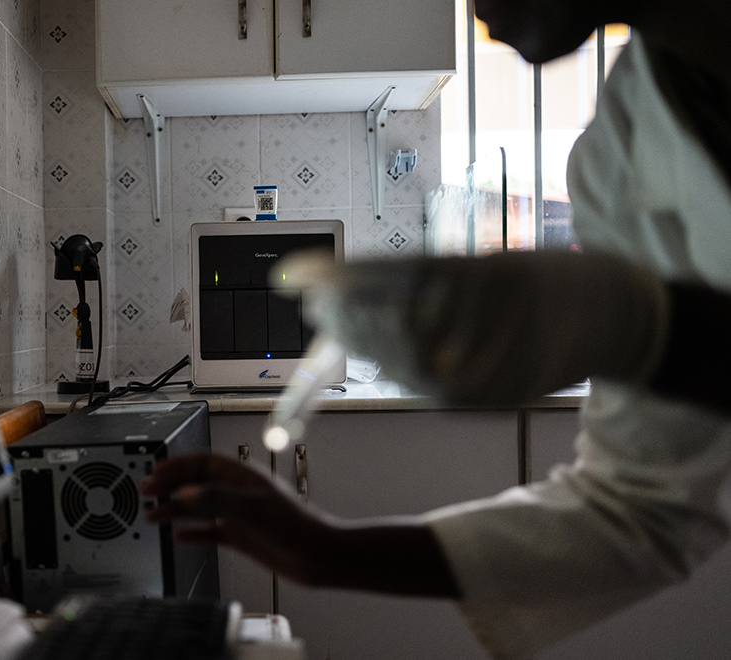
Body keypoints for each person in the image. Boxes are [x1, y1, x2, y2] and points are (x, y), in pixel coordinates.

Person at [142, 2, 731, 658]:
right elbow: (639, 511)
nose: (475, 11)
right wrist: (325, 551)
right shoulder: (620, 152)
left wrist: (649, 329)